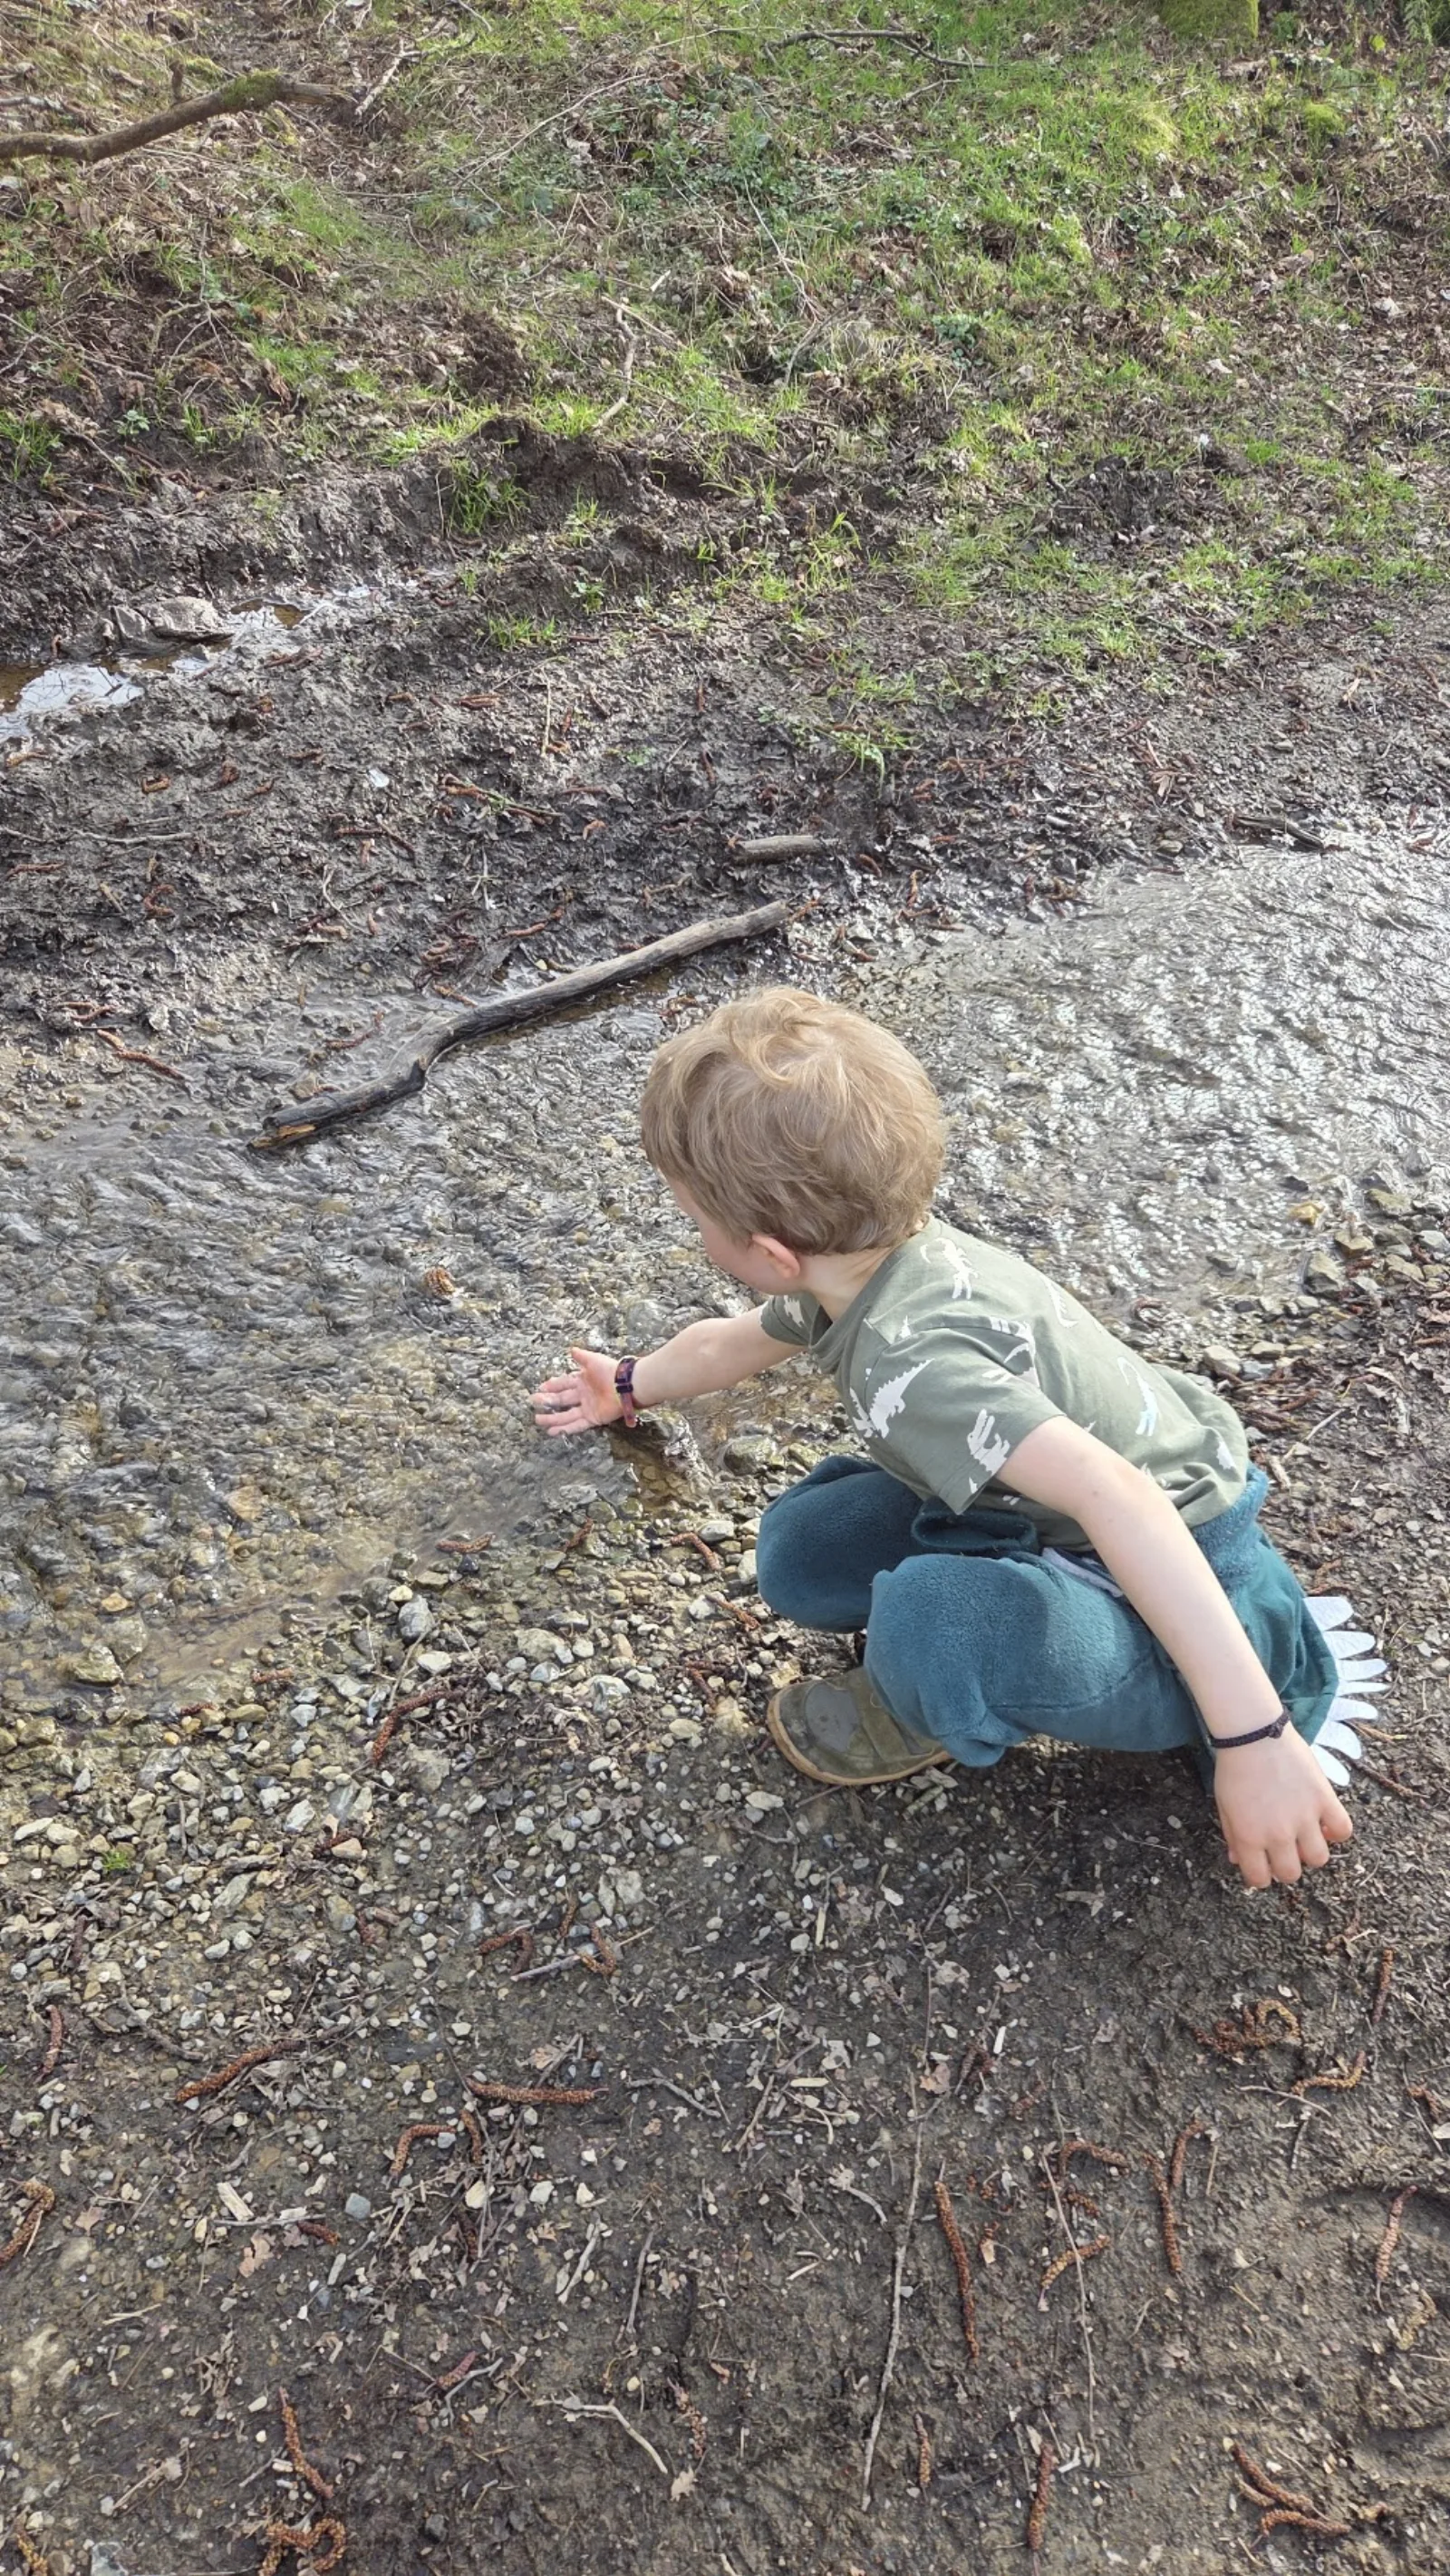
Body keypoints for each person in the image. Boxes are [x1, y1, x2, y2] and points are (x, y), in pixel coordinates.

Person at [529, 986, 1382, 1891]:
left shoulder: (919, 1359)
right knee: (802, 1548)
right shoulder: (869, 1258)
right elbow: (734, 1342)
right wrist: (627, 1383)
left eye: (695, 1222)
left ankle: (956, 1697)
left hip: (1182, 1588)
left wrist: (1252, 1736)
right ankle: (966, 1643)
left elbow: (1120, 1496)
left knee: (930, 1621)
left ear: (773, 1252)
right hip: (1053, 1522)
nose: (695, 1237)